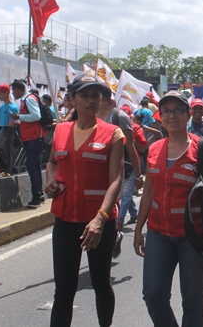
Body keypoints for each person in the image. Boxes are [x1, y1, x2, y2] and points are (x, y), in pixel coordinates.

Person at [133, 90, 203, 325]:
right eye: (166, 111)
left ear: (188, 115)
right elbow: (148, 192)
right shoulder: (155, 149)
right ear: (160, 117)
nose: (172, 116)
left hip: (194, 237)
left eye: (178, 110)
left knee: (193, 300)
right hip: (159, 234)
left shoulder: (202, 149)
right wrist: (139, 229)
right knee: (153, 296)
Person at [44, 72, 124, 327]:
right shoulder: (60, 131)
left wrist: (101, 219)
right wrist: (50, 181)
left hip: (98, 224)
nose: (92, 100)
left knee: (101, 283)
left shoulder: (113, 134)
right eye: (85, 95)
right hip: (65, 221)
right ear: (72, 100)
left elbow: (117, 179)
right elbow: (52, 162)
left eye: (96, 95)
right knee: (64, 290)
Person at [96, 87, 144, 258]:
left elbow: (130, 147)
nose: (94, 100)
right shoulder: (91, 117)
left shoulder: (119, 117)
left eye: (97, 96)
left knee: (117, 200)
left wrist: (138, 175)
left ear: (107, 99)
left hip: (123, 167)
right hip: (99, 168)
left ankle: (116, 230)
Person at [10, 79, 48, 208]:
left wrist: (20, 117)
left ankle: (36, 196)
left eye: (13, 90)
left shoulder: (29, 99)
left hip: (34, 137)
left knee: (32, 166)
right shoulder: (27, 99)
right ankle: (39, 194)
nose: (13, 94)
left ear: (17, 89)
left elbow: (36, 116)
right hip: (32, 136)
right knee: (35, 165)